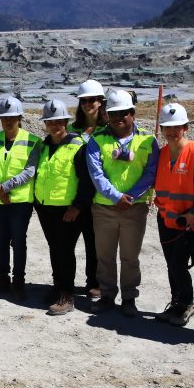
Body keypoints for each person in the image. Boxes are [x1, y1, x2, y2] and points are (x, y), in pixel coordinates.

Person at [85, 88, 159, 317]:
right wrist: (117, 197)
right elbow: (96, 175)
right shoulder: (97, 140)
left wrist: (132, 196)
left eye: (123, 113)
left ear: (132, 113)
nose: (118, 118)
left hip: (134, 210)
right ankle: (107, 295)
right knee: (105, 255)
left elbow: (151, 172)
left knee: (129, 257)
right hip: (104, 208)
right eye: (114, 114)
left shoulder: (147, 140)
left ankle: (129, 298)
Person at [33, 99, 94, 315]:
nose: (54, 125)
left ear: (66, 122)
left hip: (68, 210)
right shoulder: (43, 145)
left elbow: (87, 181)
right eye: (50, 122)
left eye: (58, 121)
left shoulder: (78, 146)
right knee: (54, 248)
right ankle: (58, 285)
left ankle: (67, 295)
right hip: (45, 207)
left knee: (65, 251)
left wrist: (77, 207)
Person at [0, 96, 42, 300]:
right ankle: (2, 279)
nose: (8, 121)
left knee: (18, 242)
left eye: (12, 117)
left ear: (19, 117)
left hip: (20, 203)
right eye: (5, 117)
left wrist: (4, 188)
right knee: (0, 241)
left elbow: (29, 171)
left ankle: (18, 281)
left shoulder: (33, 142)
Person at [152, 103, 194, 327]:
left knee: (178, 264)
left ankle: (187, 304)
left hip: (188, 221)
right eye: (167, 127)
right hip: (166, 218)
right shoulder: (162, 153)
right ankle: (176, 302)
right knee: (171, 264)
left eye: (176, 127)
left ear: (185, 128)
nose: (171, 131)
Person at [70, 79, 108, 299]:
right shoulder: (72, 129)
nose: (87, 104)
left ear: (100, 102)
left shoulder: (108, 129)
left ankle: (95, 282)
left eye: (91, 100)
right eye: (83, 100)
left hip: (97, 195)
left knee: (95, 243)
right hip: (75, 192)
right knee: (69, 241)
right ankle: (66, 282)